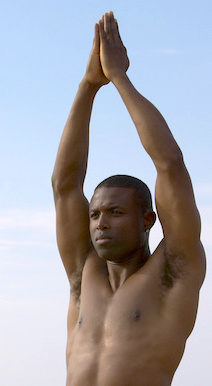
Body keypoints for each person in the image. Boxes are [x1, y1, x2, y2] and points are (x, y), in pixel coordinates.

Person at [52, 11, 206, 386]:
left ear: (147, 219)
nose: (100, 222)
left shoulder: (173, 270)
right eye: (95, 215)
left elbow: (170, 164)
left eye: (115, 212)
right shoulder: (82, 273)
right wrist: (89, 84)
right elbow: (65, 184)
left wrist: (118, 78)